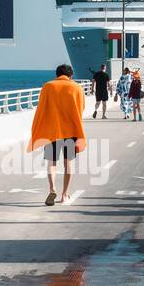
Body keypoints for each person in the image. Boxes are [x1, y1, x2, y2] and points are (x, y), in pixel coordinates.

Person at [29, 63, 87, 206]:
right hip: (71, 130)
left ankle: (52, 189)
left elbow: (42, 107)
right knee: (68, 163)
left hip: (52, 130)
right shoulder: (76, 87)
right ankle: (64, 195)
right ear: (70, 75)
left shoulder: (47, 86)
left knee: (51, 162)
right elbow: (82, 107)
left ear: (57, 74)